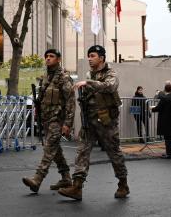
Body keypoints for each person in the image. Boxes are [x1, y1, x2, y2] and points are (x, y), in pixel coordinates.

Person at [58, 45, 129, 201]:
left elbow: (111, 86)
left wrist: (88, 83)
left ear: (101, 58)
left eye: (93, 56)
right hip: (89, 121)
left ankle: (123, 184)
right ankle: (77, 187)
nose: (90, 59)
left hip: (106, 121)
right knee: (82, 152)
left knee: (114, 153)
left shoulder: (110, 73)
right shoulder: (90, 74)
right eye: (88, 56)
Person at [22, 49, 75, 193]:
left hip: (57, 119)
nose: (48, 59)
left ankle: (37, 179)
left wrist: (67, 124)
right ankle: (66, 178)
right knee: (55, 150)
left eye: (51, 56)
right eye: (46, 56)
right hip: (46, 119)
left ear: (58, 59)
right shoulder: (46, 76)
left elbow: (70, 101)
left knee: (49, 148)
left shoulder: (64, 78)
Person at [151, 83, 171, 159]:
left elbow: (159, 108)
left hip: (165, 120)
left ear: (165, 89)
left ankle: (169, 154)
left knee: (167, 138)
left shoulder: (165, 98)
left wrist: (151, 109)